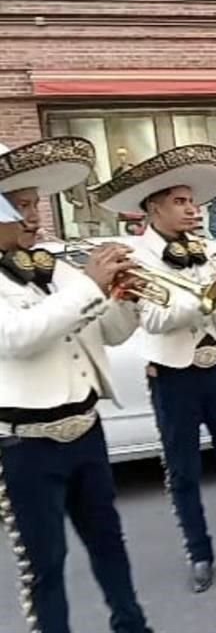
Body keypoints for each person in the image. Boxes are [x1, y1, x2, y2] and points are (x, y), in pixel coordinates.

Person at [93, 144, 216, 592]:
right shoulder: (135, 257)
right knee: (183, 470)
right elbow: (154, 319)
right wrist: (204, 298)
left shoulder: (209, 249)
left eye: (191, 201)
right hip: (173, 373)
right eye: (179, 202)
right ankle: (199, 553)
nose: (191, 208)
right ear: (153, 208)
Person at [0, 137, 153, 632]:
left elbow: (110, 332)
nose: (31, 216)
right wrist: (90, 285)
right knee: (44, 568)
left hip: (85, 430)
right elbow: (19, 337)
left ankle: (132, 625)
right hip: (25, 446)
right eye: (17, 206)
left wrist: (124, 296)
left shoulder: (57, 268)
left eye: (32, 204)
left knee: (110, 544)